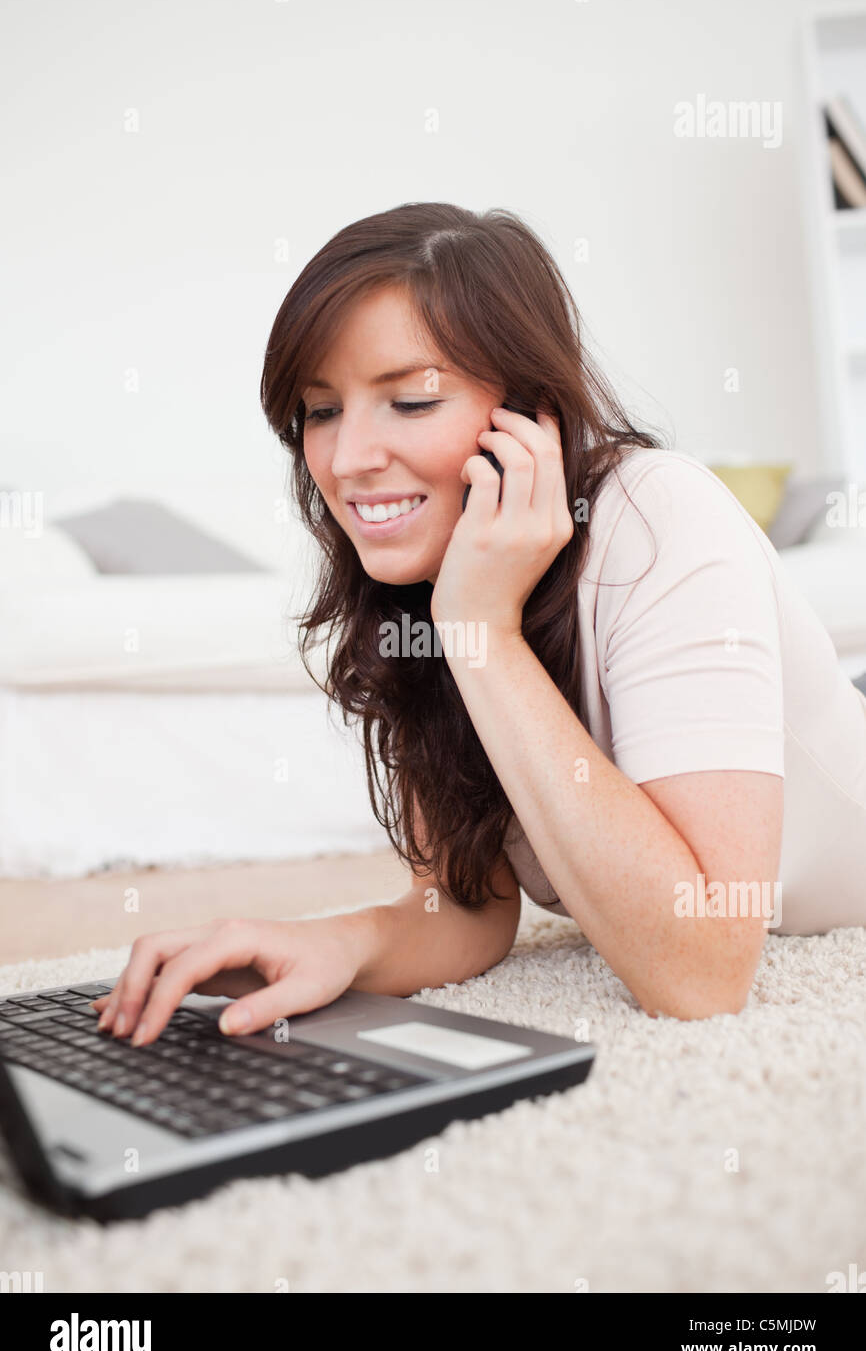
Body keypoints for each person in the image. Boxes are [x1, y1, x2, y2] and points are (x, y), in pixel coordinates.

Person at [92, 202, 866, 1046]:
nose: (348, 460)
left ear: (529, 414)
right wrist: (335, 942)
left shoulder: (657, 518)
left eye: (411, 401)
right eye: (320, 411)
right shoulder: (423, 580)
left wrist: (483, 632)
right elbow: (466, 906)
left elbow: (702, 973)